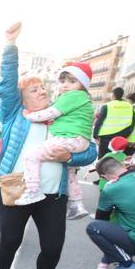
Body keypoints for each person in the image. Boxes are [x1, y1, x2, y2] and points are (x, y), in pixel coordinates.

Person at [0, 22, 98, 269]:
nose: (43, 93)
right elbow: (7, 83)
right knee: (9, 240)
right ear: (23, 98)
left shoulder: (62, 118)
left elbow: (90, 150)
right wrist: (10, 45)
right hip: (15, 185)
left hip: (53, 193)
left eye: (43, 89)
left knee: (52, 246)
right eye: (34, 90)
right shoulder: (15, 114)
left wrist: (69, 159)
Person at [15, 62, 94, 213]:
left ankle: (32, 191)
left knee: (31, 155)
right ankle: (77, 204)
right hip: (77, 140)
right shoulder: (13, 116)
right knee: (71, 172)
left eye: (72, 81)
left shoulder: (72, 97)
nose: (65, 85)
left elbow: (51, 113)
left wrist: (31, 116)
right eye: (63, 81)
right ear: (22, 98)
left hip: (69, 143)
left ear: (83, 84)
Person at [93, 86, 135, 157]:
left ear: (113, 95)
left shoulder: (107, 106)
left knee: (104, 157)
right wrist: (128, 133)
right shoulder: (129, 106)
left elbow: (99, 121)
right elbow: (133, 121)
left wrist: (95, 135)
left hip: (106, 136)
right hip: (122, 135)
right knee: (117, 156)